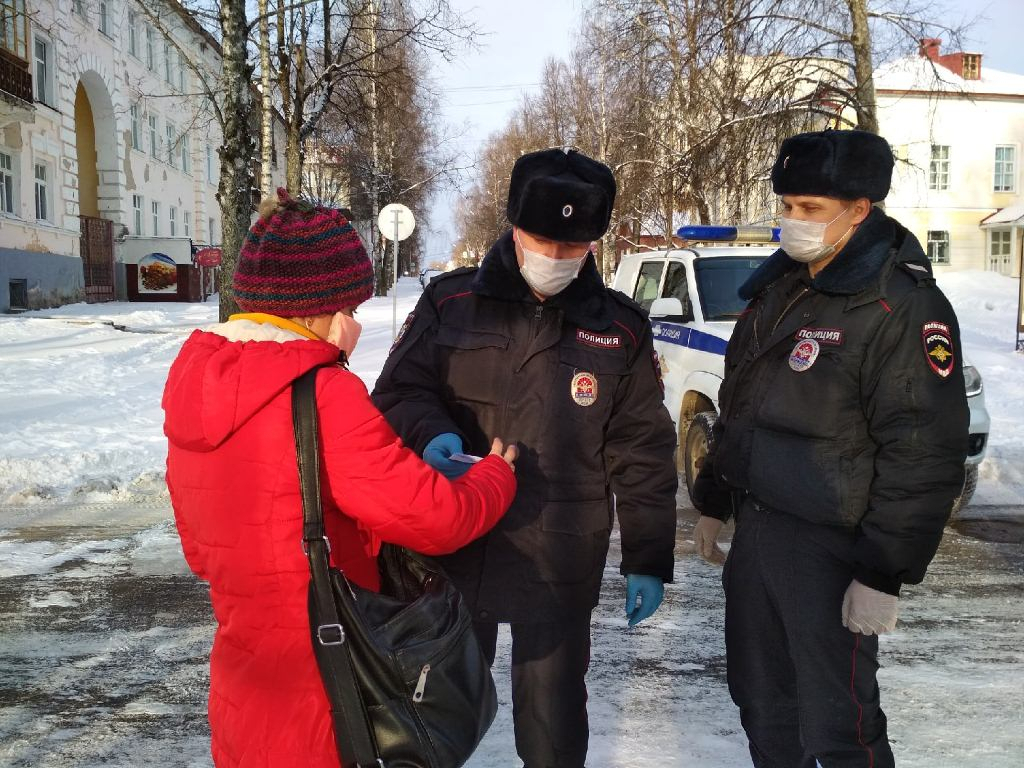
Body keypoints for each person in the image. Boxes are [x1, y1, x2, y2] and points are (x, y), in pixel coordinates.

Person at [162, 189, 519, 768]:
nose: (354, 328)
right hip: (328, 689)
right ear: (311, 310)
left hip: (245, 684)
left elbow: (204, 550)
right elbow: (437, 519)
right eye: (349, 312)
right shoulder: (323, 394)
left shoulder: (196, 388)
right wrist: (496, 477)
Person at [372, 147, 678, 768]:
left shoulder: (619, 329)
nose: (556, 259)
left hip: (559, 552)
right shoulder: (451, 303)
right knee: (436, 712)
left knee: (554, 719)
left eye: (574, 247)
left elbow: (642, 448)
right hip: (455, 541)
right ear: (513, 226)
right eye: (543, 240)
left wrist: (648, 556)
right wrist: (433, 436)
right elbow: (399, 392)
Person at [690, 130, 969, 768]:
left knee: (839, 724)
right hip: (760, 532)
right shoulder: (780, 289)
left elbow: (923, 451)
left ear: (860, 209)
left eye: (811, 209)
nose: (793, 220)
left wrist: (882, 571)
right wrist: (714, 497)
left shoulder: (900, 305)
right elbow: (743, 404)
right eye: (787, 204)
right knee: (761, 703)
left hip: (832, 547)